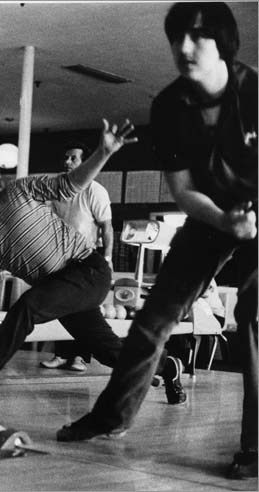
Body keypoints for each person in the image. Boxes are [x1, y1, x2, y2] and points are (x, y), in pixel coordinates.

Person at [56, 3, 257, 481]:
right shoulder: (168, 107)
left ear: (224, 42)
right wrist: (224, 219)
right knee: (152, 320)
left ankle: (256, 446)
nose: (184, 48)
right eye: (176, 37)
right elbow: (184, 191)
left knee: (253, 315)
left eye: (198, 36)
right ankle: (111, 416)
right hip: (212, 214)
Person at [0, 119, 186, 414]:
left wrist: (103, 152)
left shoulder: (19, 191)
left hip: (87, 271)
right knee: (110, 352)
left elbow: (70, 184)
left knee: (25, 307)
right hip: (58, 287)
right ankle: (167, 366)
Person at [41, 142, 114, 372]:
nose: (67, 162)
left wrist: (108, 258)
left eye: (73, 158)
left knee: (83, 307)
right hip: (60, 257)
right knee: (62, 305)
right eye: (66, 157)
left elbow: (107, 227)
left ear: (86, 162)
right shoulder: (58, 189)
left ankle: (80, 357)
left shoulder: (96, 190)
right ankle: (62, 354)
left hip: (86, 259)